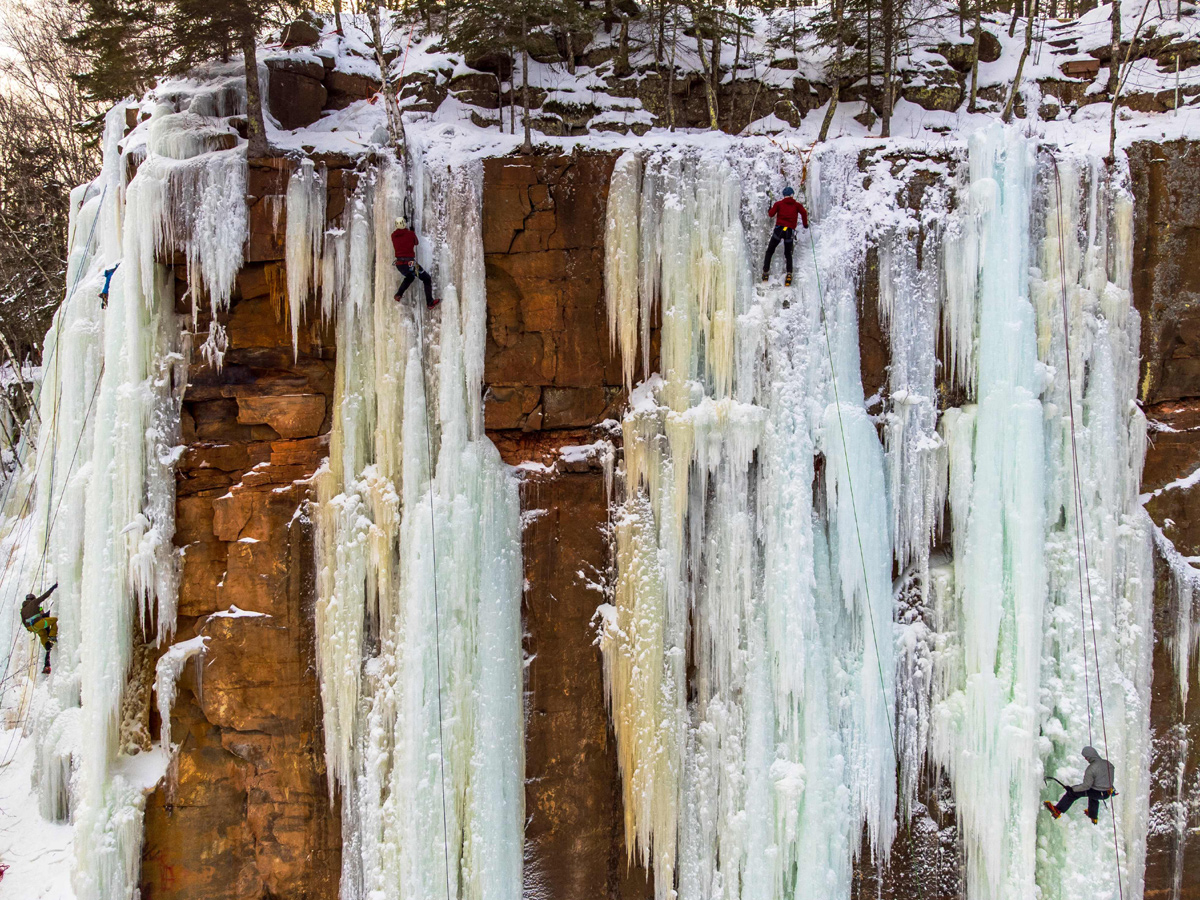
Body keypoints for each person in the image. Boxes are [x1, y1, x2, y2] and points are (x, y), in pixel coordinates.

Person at [1044, 746, 1116, 824]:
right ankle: (1093, 815)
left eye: (1086, 757)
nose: (1086, 759)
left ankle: (1058, 811)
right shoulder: (1108, 764)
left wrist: (1072, 789)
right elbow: (1107, 778)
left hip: (1097, 792)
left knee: (1073, 794)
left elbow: (1086, 786)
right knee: (1093, 796)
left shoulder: (1091, 768)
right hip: (1106, 793)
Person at [762, 186, 810, 287]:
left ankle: (766, 272)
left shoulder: (779, 204)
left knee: (770, 251)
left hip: (779, 230)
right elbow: (804, 213)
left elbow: (771, 214)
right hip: (789, 231)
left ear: (784, 195)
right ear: (792, 195)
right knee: (788, 253)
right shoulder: (797, 205)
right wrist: (805, 224)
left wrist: (770, 208)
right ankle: (789, 274)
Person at [390, 217, 439, 309]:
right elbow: (416, 242)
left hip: (400, 265)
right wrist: (412, 231)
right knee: (426, 279)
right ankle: (430, 302)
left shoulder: (393, 236)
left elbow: (402, 237)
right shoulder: (410, 234)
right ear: (404, 224)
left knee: (410, 277)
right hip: (410, 263)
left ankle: (398, 294)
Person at [20, 583, 58, 675]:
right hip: (37, 624)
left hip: (31, 627)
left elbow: (24, 621)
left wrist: (30, 628)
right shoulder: (34, 603)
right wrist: (53, 587)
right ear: (32, 599)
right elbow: (44, 596)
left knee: (42, 634)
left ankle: (47, 646)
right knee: (54, 620)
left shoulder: (23, 609)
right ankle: (52, 637)